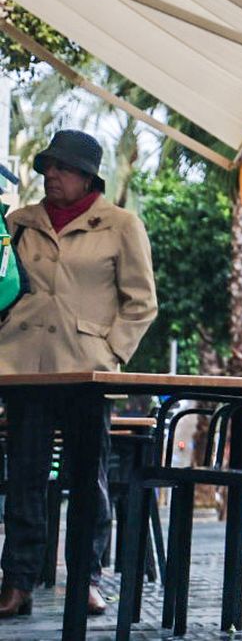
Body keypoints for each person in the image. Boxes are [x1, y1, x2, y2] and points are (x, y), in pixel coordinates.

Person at [0, 130, 158, 618]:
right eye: (47, 166)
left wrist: (108, 350)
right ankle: (17, 583)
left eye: (63, 168)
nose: (52, 175)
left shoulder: (121, 225)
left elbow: (142, 302)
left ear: (88, 176)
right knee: (24, 475)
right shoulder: (18, 223)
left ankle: (86, 579)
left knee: (88, 476)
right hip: (24, 366)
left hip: (86, 369)